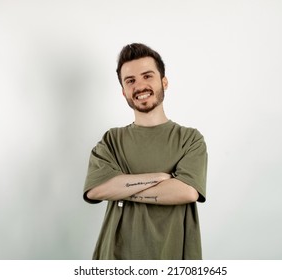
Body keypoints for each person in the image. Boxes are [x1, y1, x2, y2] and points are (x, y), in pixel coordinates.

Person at [83, 43, 207, 260]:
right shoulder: (111, 140)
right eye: (130, 81)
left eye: (147, 76)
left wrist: (122, 187)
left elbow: (186, 192)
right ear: (123, 92)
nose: (139, 86)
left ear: (164, 82)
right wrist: (159, 179)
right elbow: (95, 190)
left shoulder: (190, 139)